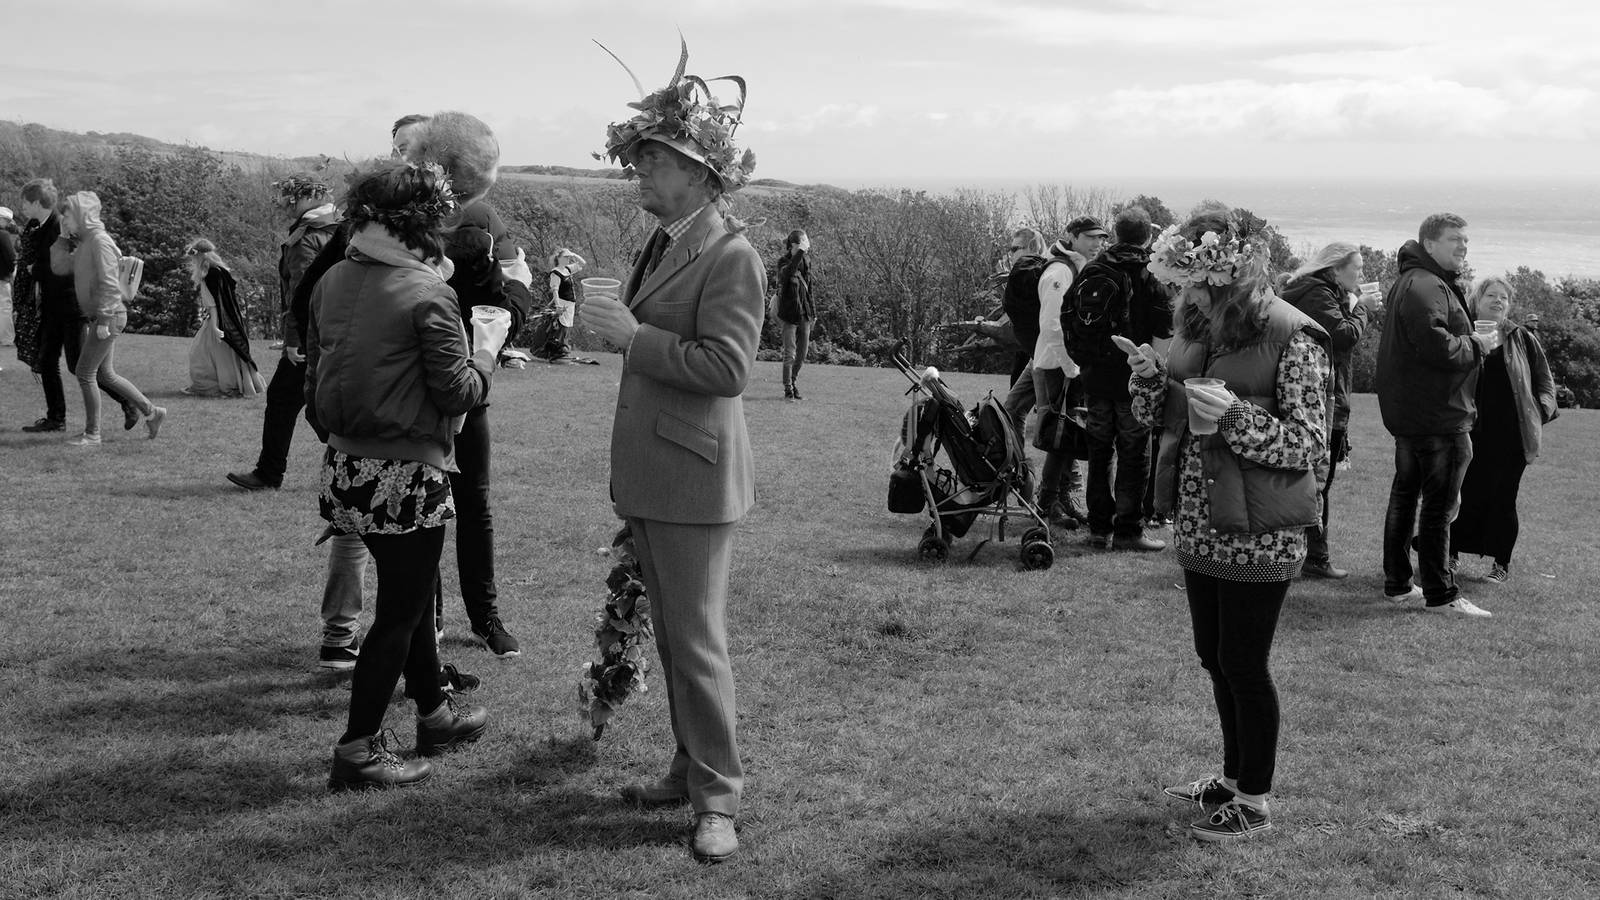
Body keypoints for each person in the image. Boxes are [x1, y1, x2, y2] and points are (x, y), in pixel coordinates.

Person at [584, 40, 764, 863]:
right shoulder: (664, 243)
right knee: (670, 641)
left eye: (653, 163)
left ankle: (718, 800)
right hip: (656, 475)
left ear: (699, 172)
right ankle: (689, 767)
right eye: (640, 163)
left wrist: (634, 337)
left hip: (693, 480)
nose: (640, 177)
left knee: (696, 644)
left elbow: (727, 371)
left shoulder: (733, 256)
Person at [1127, 203, 1329, 842]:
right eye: (1187, 281)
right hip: (1199, 518)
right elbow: (1161, 419)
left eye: (1206, 281)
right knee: (1213, 656)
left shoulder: (1292, 335)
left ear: (1237, 272)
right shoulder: (1193, 327)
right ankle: (1233, 778)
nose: (1196, 292)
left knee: (1244, 661)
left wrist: (1236, 414)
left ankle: (1256, 799)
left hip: (1260, 528)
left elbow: (1307, 444)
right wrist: (1150, 382)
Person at [306, 160, 508, 791]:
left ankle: (435, 713)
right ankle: (359, 748)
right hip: (405, 472)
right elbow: (456, 395)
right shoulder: (428, 292)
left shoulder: (335, 277)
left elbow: (321, 374)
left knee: (411, 592)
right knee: (399, 609)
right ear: (423, 224)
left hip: (345, 464)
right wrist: (484, 355)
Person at [405, 111, 535, 658]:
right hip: (436, 390)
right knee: (444, 507)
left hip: (436, 392)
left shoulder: (390, 225)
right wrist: (523, 286)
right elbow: (501, 317)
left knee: (452, 505)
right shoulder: (459, 238)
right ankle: (450, 618)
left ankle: (465, 618)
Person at [1376, 214, 1499, 617]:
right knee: (1438, 507)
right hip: (1437, 414)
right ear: (1429, 244)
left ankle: (1398, 583)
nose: (1463, 246)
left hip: (1417, 412)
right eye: (1453, 240)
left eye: (1466, 240)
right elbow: (1436, 346)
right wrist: (1477, 344)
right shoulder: (1426, 285)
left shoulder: (1418, 280)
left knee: (1406, 498)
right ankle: (1441, 594)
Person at [1064, 205, 1172, 551]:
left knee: (1099, 452)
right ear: (1149, 237)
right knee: (1134, 452)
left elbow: (1070, 317)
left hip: (1094, 378)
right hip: (1133, 382)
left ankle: (1098, 528)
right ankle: (1128, 530)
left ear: (1115, 233)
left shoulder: (1093, 269)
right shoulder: (1149, 277)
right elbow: (1164, 332)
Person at [226, 173, 339, 489]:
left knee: (289, 402)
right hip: (336, 332)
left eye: (289, 198)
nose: (284, 204)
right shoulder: (340, 228)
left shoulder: (307, 238)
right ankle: (273, 471)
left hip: (309, 337)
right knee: (314, 403)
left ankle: (269, 473)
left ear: (308, 197)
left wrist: (293, 339)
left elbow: (301, 294)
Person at [1449, 276, 1558, 584]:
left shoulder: (1521, 337)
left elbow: (1544, 381)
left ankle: (1501, 564)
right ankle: (1450, 554)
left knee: (1504, 497)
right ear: (1477, 300)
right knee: (1460, 494)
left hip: (1511, 436)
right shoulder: (1462, 332)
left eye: (1504, 298)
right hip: (1468, 430)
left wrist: (1541, 411)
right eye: (1491, 296)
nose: (1498, 301)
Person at [15, 181, 138, 433]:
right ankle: (56, 418)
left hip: (72, 308)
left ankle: (128, 404)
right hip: (51, 306)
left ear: (37, 202)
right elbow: (59, 266)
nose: (23, 207)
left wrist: (34, 269)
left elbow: (71, 271)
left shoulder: (75, 231)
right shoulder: (43, 228)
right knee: (47, 361)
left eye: (26, 203)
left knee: (80, 367)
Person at [1279, 242, 1371, 579]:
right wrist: (1362, 308)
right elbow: (1342, 336)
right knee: (1318, 481)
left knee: (1316, 480)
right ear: (1335, 269)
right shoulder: (1318, 294)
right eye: (1356, 268)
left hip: (1321, 395)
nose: (1361, 274)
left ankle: (1312, 555)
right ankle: (1314, 558)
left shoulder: (1313, 291)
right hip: (1321, 398)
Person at [49, 191, 165, 445]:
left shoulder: (99, 242)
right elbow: (59, 267)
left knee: (84, 372)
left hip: (109, 316)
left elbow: (110, 284)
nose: (64, 219)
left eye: (67, 215)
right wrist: (62, 237)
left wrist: (103, 319)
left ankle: (92, 434)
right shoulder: (85, 243)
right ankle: (153, 412)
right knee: (105, 375)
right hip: (104, 316)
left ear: (82, 214)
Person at [181, 238, 265, 398]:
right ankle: (238, 384)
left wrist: (214, 326)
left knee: (202, 355)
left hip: (219, 321)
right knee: (226, 356)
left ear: (199, 257)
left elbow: (213, 304)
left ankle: (226, 386)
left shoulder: (209, 275)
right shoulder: (221, 271)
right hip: (231, 319)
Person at [775, 229, 813, 399]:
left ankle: (794, 380)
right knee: (789, 353)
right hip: (789, 314)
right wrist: (800, 253)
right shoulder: (782, 262)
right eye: (803, 242)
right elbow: (789, 271)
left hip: (805, 313)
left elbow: (809, 289)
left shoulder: (806, 260)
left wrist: (813, 312)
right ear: (794, 245)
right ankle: (788, 388)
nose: (807, 245)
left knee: (802, 354)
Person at [538, 247, 586, 362]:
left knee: (567, 327)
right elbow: (555, 290)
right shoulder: (556, 273)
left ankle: (563, 351)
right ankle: (557, 352)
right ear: (558, 258)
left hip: (570, 304)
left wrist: (573, 254)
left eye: (569, 257)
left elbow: (582, 263)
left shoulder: (567, 270)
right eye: (565, 257)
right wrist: (558, 306)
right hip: (562, 303)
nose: (568, 259)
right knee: (561, 327)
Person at [0, 206, 15, 349]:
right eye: (7, 220)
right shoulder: (3, 235)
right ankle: (6, 338)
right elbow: (10, 257)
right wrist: (11, 271)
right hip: (1, 276)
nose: (8, 223)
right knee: (4, 307)